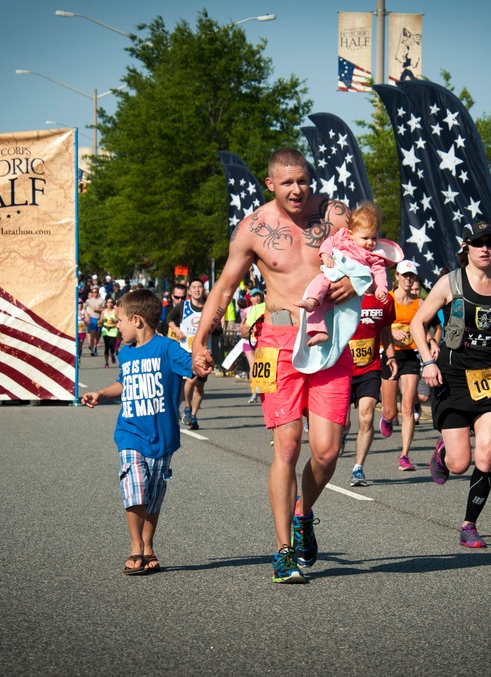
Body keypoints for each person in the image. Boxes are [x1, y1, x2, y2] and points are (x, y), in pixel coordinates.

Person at [191, 147, 354, 583]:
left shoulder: (336, 216)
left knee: (327, 451)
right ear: (271, 184)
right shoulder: (253, 229)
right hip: (276, 342)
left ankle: (304, 514)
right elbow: (225, 287)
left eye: (303, 180)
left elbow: (372, 266)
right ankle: (283, 550)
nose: (297, 190)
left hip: (330, 340)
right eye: (287, 183)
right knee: (287, 446)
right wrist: (199, 340)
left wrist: (349, 284)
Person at [411, 222, 491, 547]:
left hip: (489, 379)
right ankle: (442, 451)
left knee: (486, 457)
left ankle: (469, 525)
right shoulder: (450, 283)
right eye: (478, 243)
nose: (484, 249)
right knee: (459, 463)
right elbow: (417, 323)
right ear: (466, 246)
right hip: (452, 378)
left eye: (490, 243)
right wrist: (426, 361)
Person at [81, 290, 192, 575]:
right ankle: (134, 546)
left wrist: (202, 362)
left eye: (120, 320)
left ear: (138, 321)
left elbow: (193, 367)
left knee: (154, 495)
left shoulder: (167, 349)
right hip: (130, 433)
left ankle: (148, 545)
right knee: (135, 487)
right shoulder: (126, 352)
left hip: (162, 436)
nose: (117, 326)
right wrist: (102, 394)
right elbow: (124, 383)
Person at [294, 202, 402, 346]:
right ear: (351, 234)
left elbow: (379, 272)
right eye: (365, 238)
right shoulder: (342, 237)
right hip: (333, 275)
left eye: (374, 238)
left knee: (340, 314)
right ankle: (317, 324)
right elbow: (328, 242)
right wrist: (326, 255)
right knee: (318, 286)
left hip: (352, 287)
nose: (370, 243)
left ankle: (330, 331)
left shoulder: (374, 255)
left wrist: (381, 288)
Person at [346, 281, 396, 487]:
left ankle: (358, 468)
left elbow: (386, 332)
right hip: (343, 368)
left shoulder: (385, 300)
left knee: (366, 416)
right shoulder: (345, 293)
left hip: (370, 367)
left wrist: (391, 357)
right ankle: (342, 435)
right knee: (343, 423)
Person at [378, 260, 425, 470]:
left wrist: (431, 344)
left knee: (407, 406)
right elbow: (377, 326)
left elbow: (425, 328)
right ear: (396, 276)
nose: (408, 279)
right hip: (389, 354)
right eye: (404, 275)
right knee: (390, 411)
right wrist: (391, 331)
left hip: (410, 356)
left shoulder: (419, 303)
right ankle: (387, 417)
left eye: (411, 276)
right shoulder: (386, 299)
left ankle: (405, 455)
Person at [166, 279, 213, 431]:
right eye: (194, 287)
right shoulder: (183, 306)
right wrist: (177, 330)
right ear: (190, 291)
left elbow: (217, 328)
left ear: (203, 290)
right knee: (190, 381)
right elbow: (169, 319)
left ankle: (193, 415)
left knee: (199, 386)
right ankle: (187, 405)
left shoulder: (209, 308)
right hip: (186, 350)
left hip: (204, 352)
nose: (197, 290)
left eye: (200, 287)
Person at [239, 287, 267, 403]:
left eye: (258, 295)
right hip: (248, 341)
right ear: (250, 298)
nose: (257, 298)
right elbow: (243, 328)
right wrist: (246, 326)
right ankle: (254, 392)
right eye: (254, 296)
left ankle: (261, 390)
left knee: (260, 366)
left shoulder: (265, 307)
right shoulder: (246, 310)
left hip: (260, 341)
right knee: (253, 366)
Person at [99, 297, 119, 368]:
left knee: (112, 346)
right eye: (108, 302)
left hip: (113, 330)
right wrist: (102, 320)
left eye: (111, 302)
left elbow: (118, 319)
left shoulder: (115, 311)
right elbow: (100, 322)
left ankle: (112, 354)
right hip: (105, 330)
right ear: (106, 303)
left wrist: (115, 319)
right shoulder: (103, 312)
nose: (110, 303)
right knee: (107, 346)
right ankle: (106, 363)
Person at [83, 287, 103, 356]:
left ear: (98, 293)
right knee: (92, 333)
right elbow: (84, 308)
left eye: (96, 292)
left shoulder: (101, 300)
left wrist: (98, 309)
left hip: (99, 318)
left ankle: (95, 346)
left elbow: (105, 309)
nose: (94, 293)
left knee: (98, 334)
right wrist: (86, 316)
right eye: (93, 292)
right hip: (92, 318)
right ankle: (92, 348)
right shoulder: (88, 301)